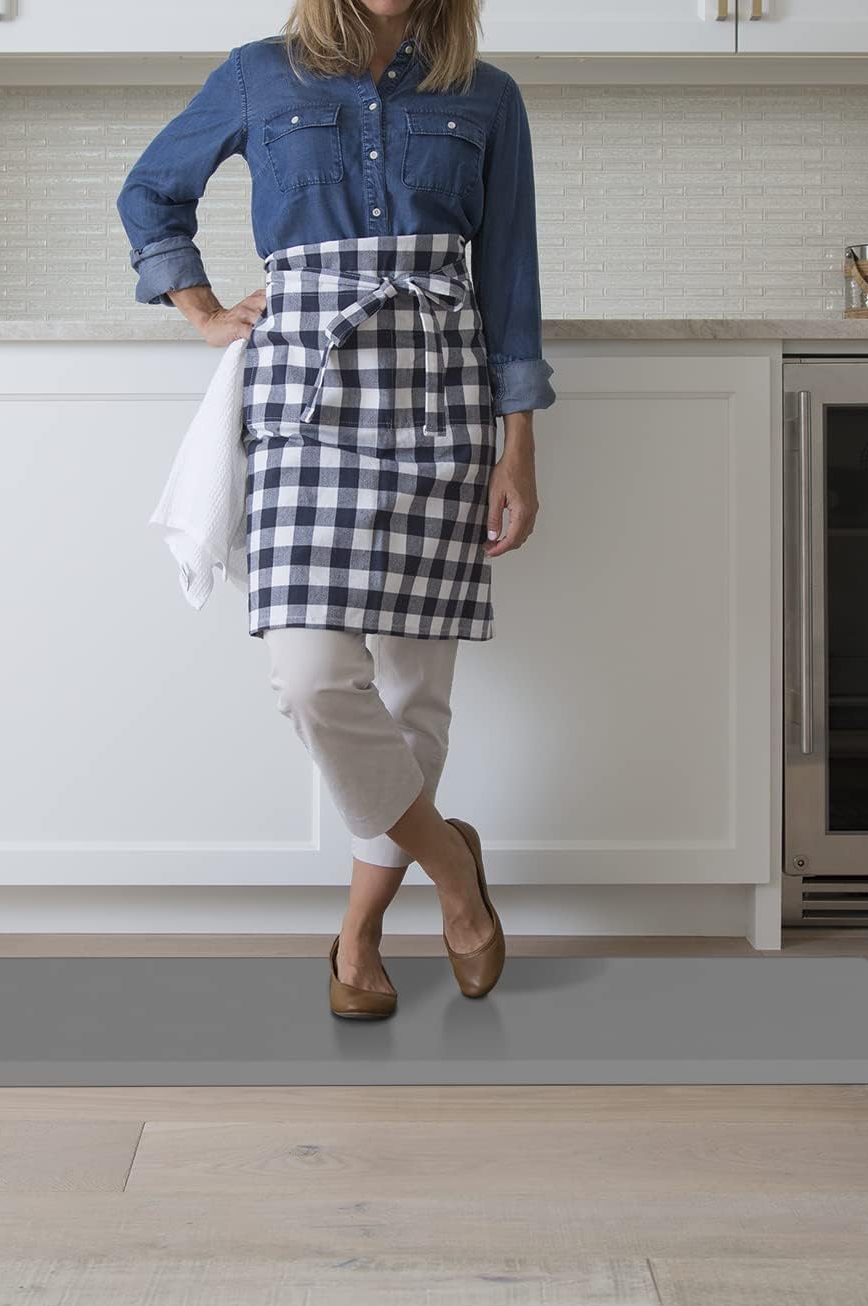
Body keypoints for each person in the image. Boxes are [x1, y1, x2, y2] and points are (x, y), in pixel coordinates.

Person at [116, 0, 555, 1021]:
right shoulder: (258, 72)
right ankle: (454, 870)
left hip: (442, 400)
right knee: (312, 679)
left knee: (412, 701)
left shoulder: (487, 97)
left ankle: (358, 937)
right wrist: (200, 309)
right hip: (305, 399)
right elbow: (152, 192)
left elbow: (511, 275)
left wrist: (518, 446)